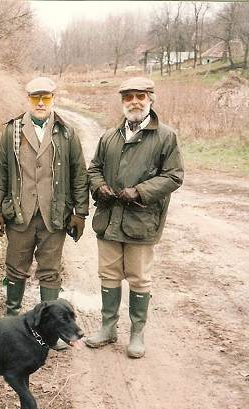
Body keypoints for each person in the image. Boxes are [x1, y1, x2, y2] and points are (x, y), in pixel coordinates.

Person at [85, 77, 184, 358]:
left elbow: (174, 176)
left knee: (139, 278)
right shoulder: (109, 136)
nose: (134, 102)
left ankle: (137, 334)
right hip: (108, 220)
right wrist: (98, 185)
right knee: (108, 274)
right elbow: (94, 168)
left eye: (140, 96)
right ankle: (107, 328)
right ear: (122, 102)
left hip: (141, 221)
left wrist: (140, 191)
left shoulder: (166, 136)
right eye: (128, 97)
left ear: (151, 99)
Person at [0, 77, 88, 351]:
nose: (41, 103)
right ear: (28, 99)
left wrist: (80, 212)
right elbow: (0, 173)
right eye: (36, 98)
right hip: (19, 216)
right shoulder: (12, 131)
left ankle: (52, 333)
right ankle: (11, 325)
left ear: (54, 98)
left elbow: (79, 175)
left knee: (50, 272)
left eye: (46, 98)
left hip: (53, 216)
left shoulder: (67, 133)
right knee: (15, 269)